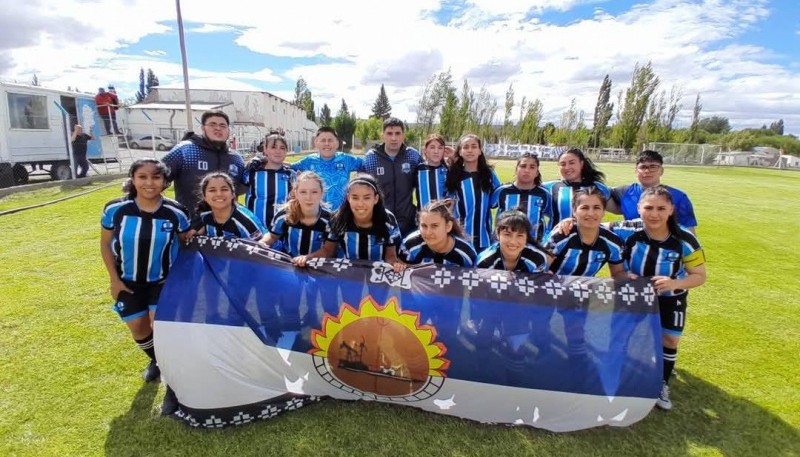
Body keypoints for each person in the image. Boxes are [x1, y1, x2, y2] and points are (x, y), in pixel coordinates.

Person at [99, 158, 191, 414]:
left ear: (164, 182)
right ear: (133, 179)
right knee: (139, 329)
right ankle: (156, 362)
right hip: (127, 283)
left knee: (163, 333)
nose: (149, 183)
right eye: (142, 177)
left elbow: (187, 242)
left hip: (163, 283)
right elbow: (105, 244)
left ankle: (173, 390)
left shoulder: (176, 212)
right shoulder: (115, 210)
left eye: (155, 177)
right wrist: (113, 279)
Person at [611, 185, 706, 411]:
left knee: (670, 340)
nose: (654, 214)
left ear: (671, 209)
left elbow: (700, 276)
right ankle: (623, 377)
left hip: (671, 297)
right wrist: (569, 223)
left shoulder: (685, 239)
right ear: (638, 208)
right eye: (648, 207)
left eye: (661, 208)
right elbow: (593, 226)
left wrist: (675, 283)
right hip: (633, 294)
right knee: (626, 335)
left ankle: (661, 383)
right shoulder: (625, 229)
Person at [294, 174, 403, 270]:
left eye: (366, 198)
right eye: (355, 198)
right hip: (348, 277)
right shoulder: (338, 219)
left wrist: (395, 264)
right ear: (348, 198)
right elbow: (328, 251)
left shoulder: (387, 220)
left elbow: (390, 256)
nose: (360, 204)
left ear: (376, 199)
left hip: (377, 277)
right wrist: (306, 257)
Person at [161, 110, 245, 216]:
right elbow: (157, 178)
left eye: (222, 125)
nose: (218, 128)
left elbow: (241, 188)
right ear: (202, 128)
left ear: (228, 130)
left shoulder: (236, 158)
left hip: (226, 226)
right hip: (189, 226)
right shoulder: (186, 150)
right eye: (212, 124)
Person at [608, 150, 698, 233]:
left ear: (661, 171)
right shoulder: (624, 192)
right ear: (636, 171)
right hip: (634, 247)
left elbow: (689, 232)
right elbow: (601, 194)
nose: (647, 171)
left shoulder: (678, 197)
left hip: (665, 248)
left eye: (653, 167)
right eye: (643, 167)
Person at [545, 187, 626, 279]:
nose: (591, 213)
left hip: (584, 291)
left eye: (596, 208)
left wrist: (629, 277)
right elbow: (541, 268)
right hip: (553, 289)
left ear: (603, 212)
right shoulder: (561, 235)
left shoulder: (613, 242)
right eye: (584, 208)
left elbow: (618, 273)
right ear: (574, 211)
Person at [361, 118, 422, 237]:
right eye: (389, 133)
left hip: (408, 222)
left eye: (398, 133)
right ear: (382, 135)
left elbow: (426, 179)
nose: (394, 138)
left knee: (405, 255)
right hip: (380, 221)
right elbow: (363, 189)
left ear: (403, 135)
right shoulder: (371, 158)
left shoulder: (413, 156)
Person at [445, 134, 501, 252]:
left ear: (480, 151)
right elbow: (449, 206)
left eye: (474, 146)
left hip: (483, 238)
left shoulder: (489, 175)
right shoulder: (453, 175)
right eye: (465, 147)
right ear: (460, 152)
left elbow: (495, 202)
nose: (470, 150)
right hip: (460, 238)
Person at [261, 171, 331, 260]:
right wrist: (263, 242)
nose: (308, 197)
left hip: (318, 268)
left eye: (314, 192)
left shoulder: (330, 221)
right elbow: (273, 236)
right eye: (303, 192)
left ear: (322, 193)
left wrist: (306, 258)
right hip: (289, 266)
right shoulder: (284, 215)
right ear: (296, 193)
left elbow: (329, 250)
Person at [291, 127, 362, 211]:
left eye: (330, 140)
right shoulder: (308, 161)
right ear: (316, 143)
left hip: (342, 214)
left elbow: (366, 165)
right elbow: (288, 168)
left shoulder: (346, 159)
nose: (327, 143)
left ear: (337, 143)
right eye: (323, 140)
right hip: (317, 214)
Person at [491, 152, 552, 242]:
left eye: (532, 167)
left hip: (534, 244)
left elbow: (552, 216)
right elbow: (488, 207)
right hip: (505, 243)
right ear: (516, 169)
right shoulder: (502, 191)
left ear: (537, 172)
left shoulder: (544, 194)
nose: (527, 170)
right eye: (523, 166)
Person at [544, 148, 609, 230]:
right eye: (563, 164)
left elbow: (617, 208)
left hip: (590, 239)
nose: (567, 167)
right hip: (555, 240)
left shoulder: (598, 187)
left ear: (581, 164)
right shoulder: (549, 187)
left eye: (572, 163)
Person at [398, 199, 477, 267]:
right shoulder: (410, 244)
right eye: (424, 226)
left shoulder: (466, 253)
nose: (428, 232)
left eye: (434, 226)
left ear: (448, 226)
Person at [243, 130, 294, 230]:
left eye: (282, 148)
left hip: (281, 232)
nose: (278, 151)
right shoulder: (252, 171)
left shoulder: (292, 175)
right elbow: (236, 193)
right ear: (265, 150)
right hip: (254, 231)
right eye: (273, 147)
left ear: (286, 151)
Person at [194, 172, 266, 240]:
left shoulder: (245, 222)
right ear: (204, 197)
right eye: (212, 190)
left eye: (224, 189)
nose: (219, 194)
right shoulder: (205, 217)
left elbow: (262, 249)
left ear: (233, 194)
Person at [476, 209, 549, 273]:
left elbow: (536, 285)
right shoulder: (484, 261)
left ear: (527, 237)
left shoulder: (537, 259)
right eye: (507, 234)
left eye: (520, 235)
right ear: (498, 235)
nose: (513, 241)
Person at [415, 134, 449, 211]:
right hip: (422, 218)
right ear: (425, 150)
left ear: (444, 151)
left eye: (440, 148)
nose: (436, 151)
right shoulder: (418, 170)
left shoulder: (448, 171)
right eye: (432, 147)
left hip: (442, 219)